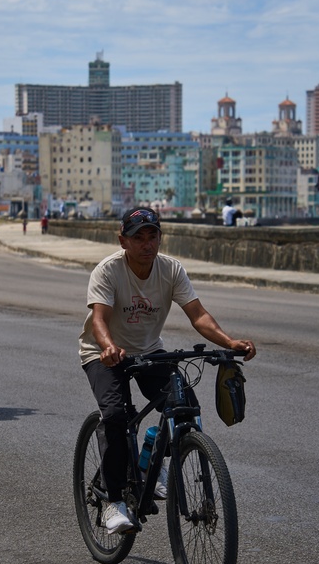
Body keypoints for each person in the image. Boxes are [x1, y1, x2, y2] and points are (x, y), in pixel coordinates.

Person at [78, 207, 256, 534]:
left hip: (149, 351)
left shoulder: (171, 270)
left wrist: (229, 342)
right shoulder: (108, 270)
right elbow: (100, 319)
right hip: (104, 353)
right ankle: (113, 502)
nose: (147, 244)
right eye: (138, 238)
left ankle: (150, 460)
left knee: (183, 406)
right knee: (117, 415)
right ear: (123, 241)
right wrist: (107, 346)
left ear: (161, 237)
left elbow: (198, 315)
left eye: (153, 236)